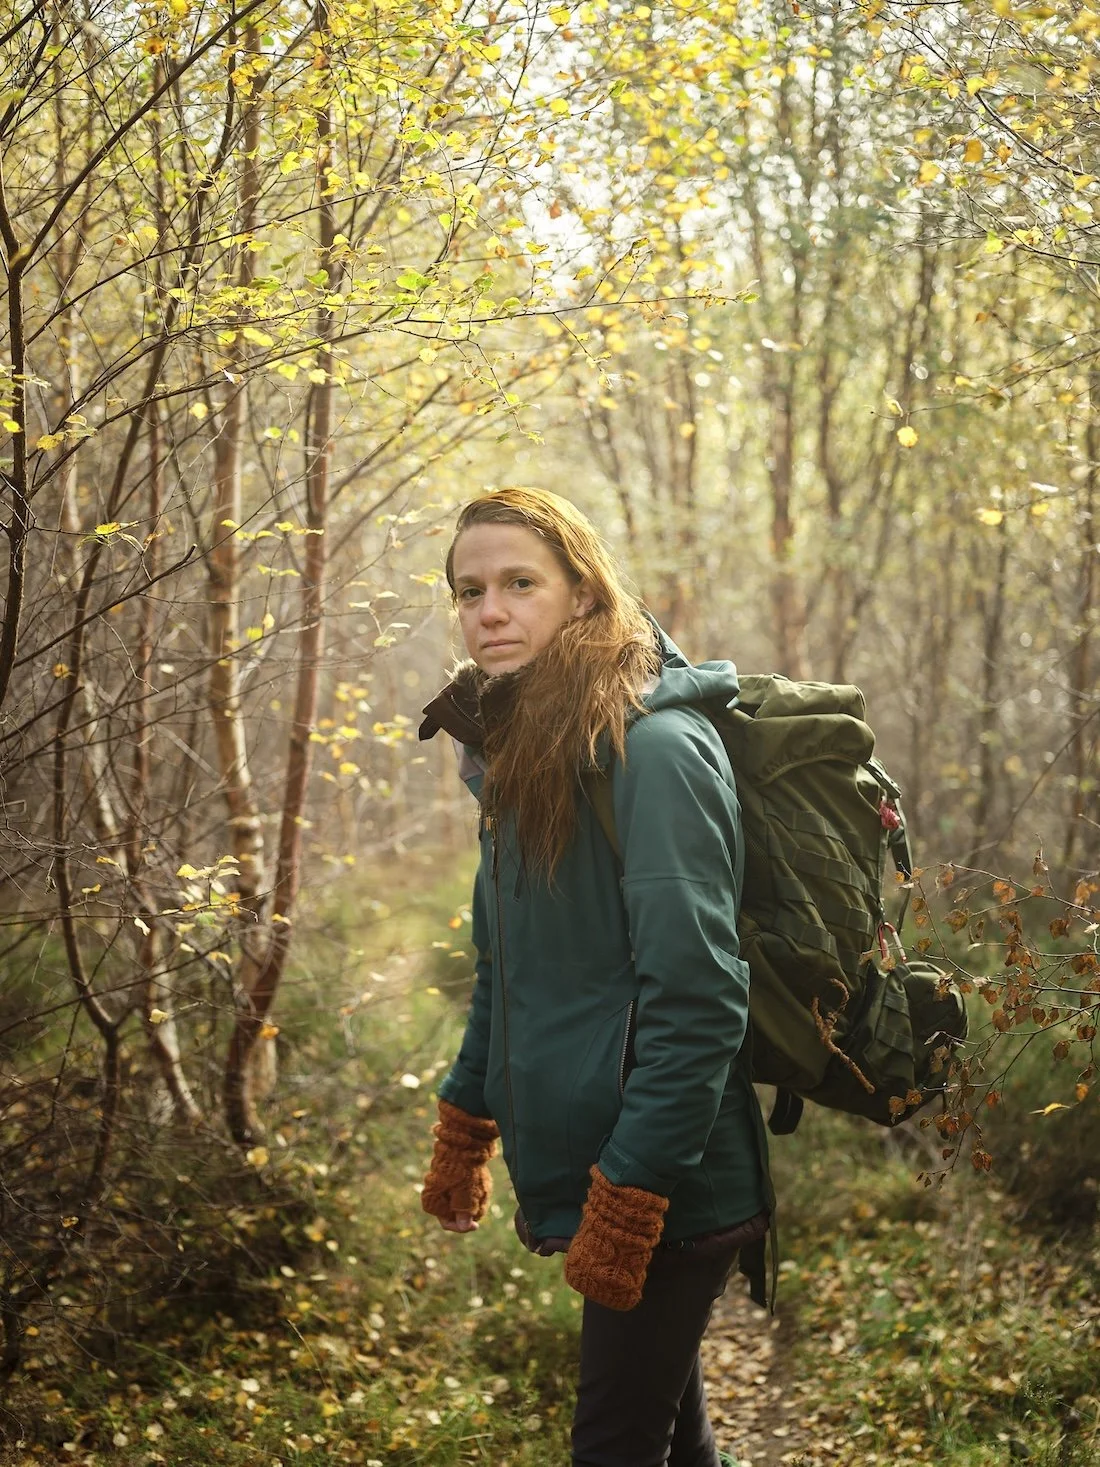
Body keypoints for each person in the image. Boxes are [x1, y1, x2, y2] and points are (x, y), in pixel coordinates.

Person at [417, 487, 771, 1467]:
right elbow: (508, 974)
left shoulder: (654, 751)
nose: (487, 609)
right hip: (597, 1170)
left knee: (612, 1444)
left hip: (669, 1187)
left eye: (518, 583)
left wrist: (629, 1193)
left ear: (580, 594)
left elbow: (698, 1004)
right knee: (670, 1436)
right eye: (469, 589)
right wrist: (463, 1121)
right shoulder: (517, 764)